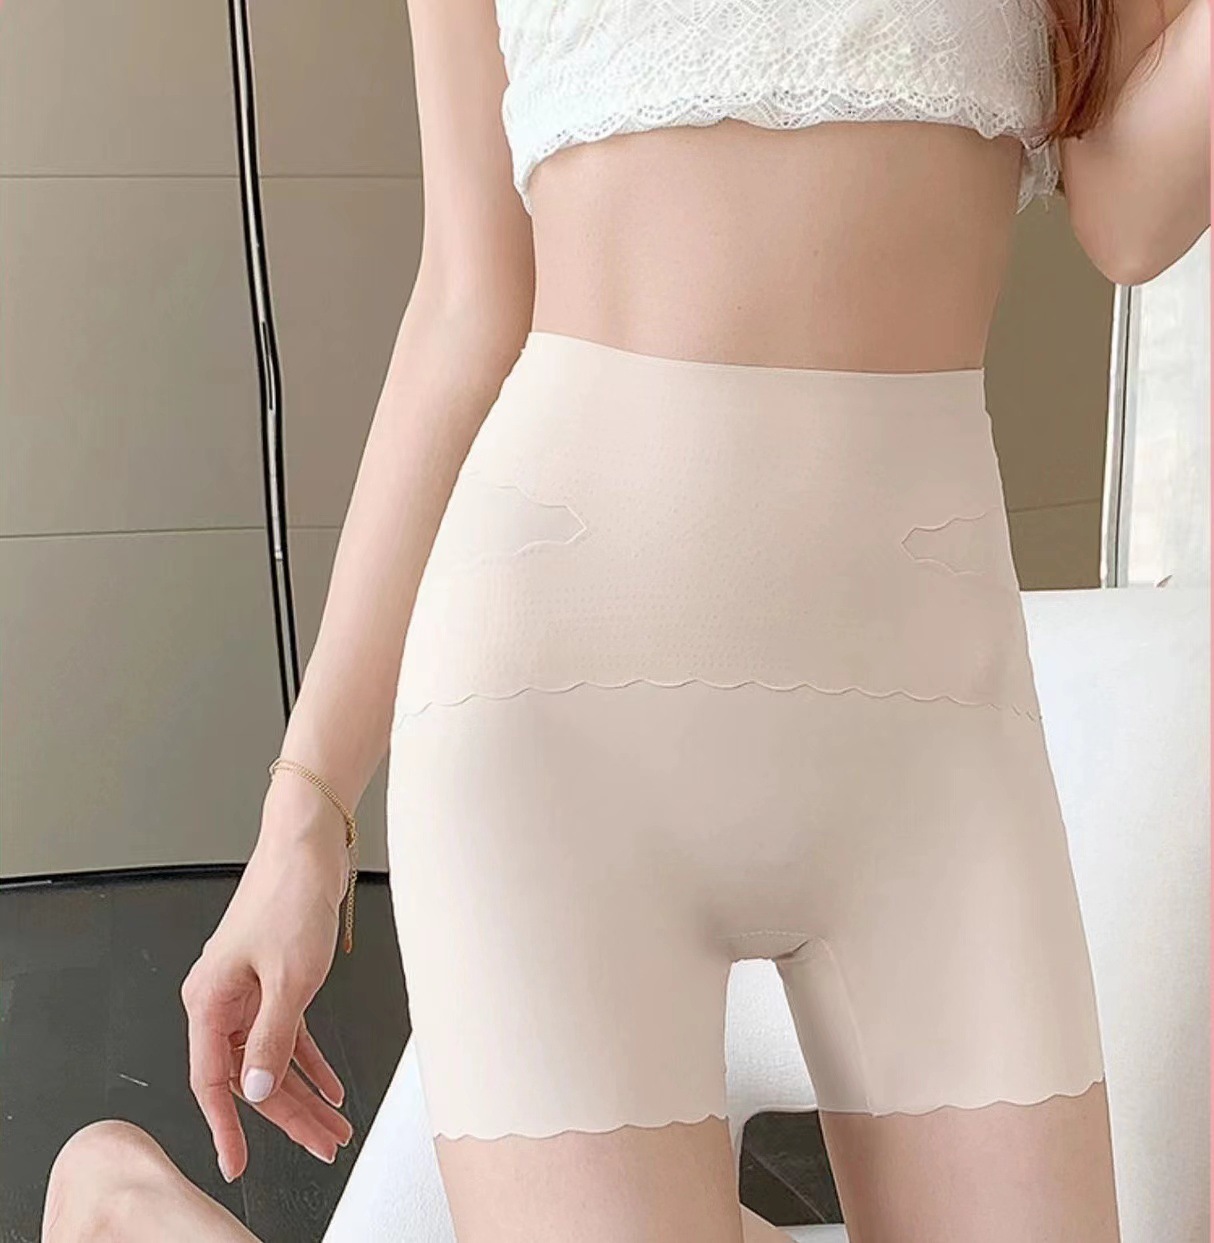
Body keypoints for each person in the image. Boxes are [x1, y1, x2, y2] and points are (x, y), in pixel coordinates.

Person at [42, 0, 1209, 1239]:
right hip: (561, 729)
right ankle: (121, 1203)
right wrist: (306, 808)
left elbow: (1127, 214)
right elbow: (466, 304)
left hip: (936, 742)